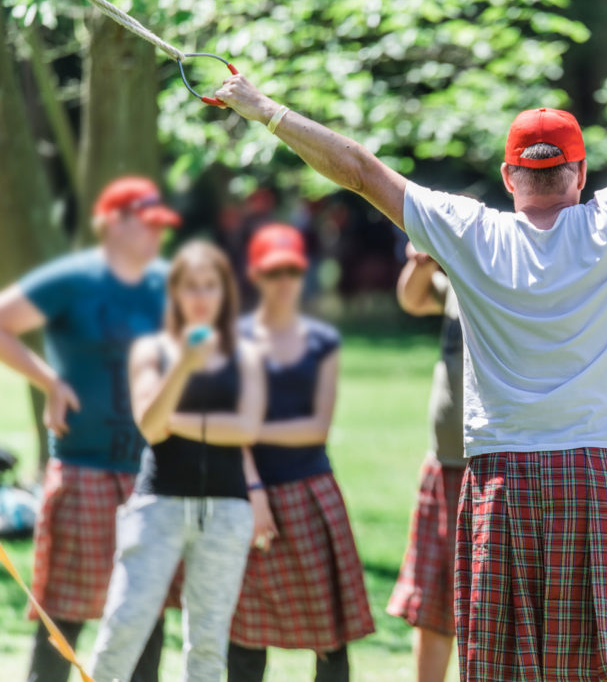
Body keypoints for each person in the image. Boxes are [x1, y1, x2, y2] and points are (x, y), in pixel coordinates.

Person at [213, 22, 607, 679]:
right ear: (578, 171)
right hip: (597, 474)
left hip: (501, 479)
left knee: (508, 667)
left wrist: (265, 110)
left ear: (510, 174)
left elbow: (359, 169)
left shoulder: (468, 230)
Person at [0, 176, 177, 682]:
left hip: (153, 473)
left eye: (158, 227)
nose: (153, 237)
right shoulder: (73, 280)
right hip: (83, 466)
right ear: (110, 224)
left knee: (147, 609)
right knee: (65, 609)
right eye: (143, 225)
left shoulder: (168, 282)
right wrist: (49, 380)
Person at [89, 241, 265, 682]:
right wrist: (185, 364)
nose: (202, 297)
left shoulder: (246, 354)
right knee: (123, 625)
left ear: (225, 293)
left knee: (207, 643)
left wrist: (175, 420)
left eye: (211, 286)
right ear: (175, 294)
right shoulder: (151, 350)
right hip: (158, 504)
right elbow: (149, 426)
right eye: (192, 287)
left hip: (226, 508)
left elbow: (245, 430)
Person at [227, 224, 375, 682]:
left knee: (331, 638)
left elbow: (317, 428)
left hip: (311, 491)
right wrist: (253, 491)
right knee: (244, 638)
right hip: (245, 494)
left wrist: (248, 428)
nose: (284, 281)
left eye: (292, 270)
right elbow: (225, 433)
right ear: (256, 275)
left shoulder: (321, 340)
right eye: (274, 272)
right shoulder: (232, 339)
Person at [386, 242, 467, 682]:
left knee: (495, 602)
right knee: (435, 603)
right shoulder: (454, 280)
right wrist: (421, 262)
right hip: (445, 464)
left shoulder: (505, 278)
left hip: (496, 466)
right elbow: (412, 299)